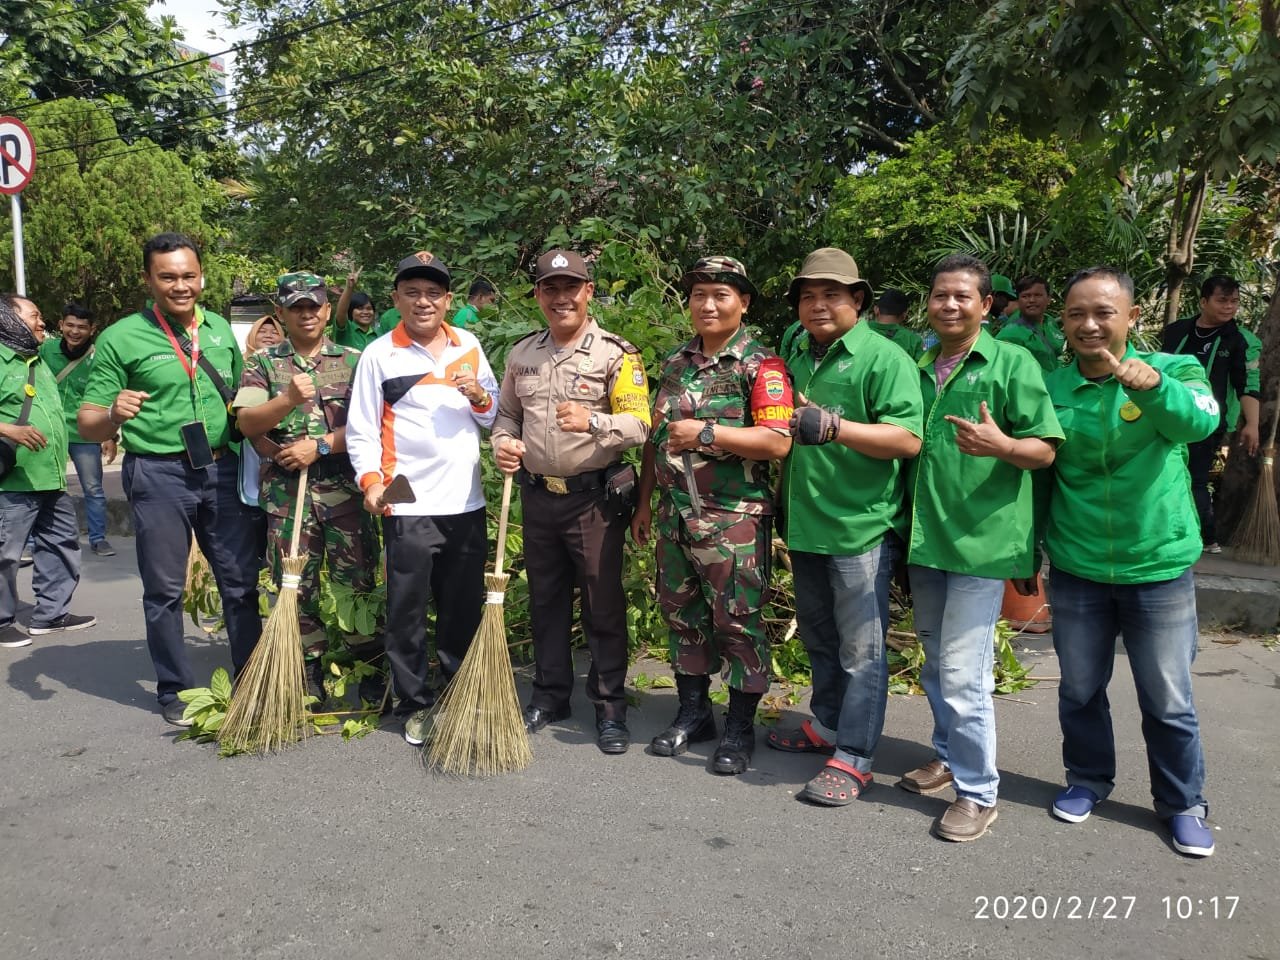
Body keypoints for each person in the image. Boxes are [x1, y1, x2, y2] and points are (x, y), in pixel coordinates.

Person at [1044, 266, 1220, 857]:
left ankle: (1183, 804)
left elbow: (1201, 421)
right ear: (1063, 321)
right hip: (1076, 564)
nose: (1089, 325)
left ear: (1132, 317)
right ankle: (1088, 780)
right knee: (1079, 689)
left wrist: (1152, 389)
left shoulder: (1176, 370)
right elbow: (1042, 476)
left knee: (1168, 699)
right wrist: (1029, 554)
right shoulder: (1052, 387)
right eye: (1076, 314)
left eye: (1103, 312)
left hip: (1158, 566)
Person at [900, 255, 1062, 843]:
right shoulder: (918, 364)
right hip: (926, 538)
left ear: (986, 305)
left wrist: (1003, 445)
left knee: (966, 673)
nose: (949, 305)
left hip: (981, 541)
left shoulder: (1012, 362)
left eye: (963, 296)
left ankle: (979, 791)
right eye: (940, 295)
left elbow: (1045, 450)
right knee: (938, 663)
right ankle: (947, 756)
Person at [79, 232, 262, 726]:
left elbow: (243, 398)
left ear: (201, 276)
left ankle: (253, 679)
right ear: (148, 279)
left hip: (221, 468)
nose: (180, 286)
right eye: (168, 277)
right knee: (164, 589)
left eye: (188, 276)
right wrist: (113, 414)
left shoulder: (221, 329)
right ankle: (174, 690)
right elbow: (88, 421)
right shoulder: (121, 337)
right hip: (158, 473)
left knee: (240, 583)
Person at [769, 247, 923, 806]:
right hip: (807, 523)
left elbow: (908, 439)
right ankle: (828, 727)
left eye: (831, 295)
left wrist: (835, 427)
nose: (817, 305)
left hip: (861, 529)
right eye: (808, 297)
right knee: (820, 637)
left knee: (863, 650)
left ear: (858, 300)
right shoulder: (798, 354)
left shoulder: (884, 359)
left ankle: (855, 757)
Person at [631, 257, 793, 774]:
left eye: (721, 295)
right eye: (699, 294)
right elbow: (657, 443)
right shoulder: (676, 363)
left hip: (733, 522)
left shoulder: (760, 366)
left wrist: (706, 433)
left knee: (738, 624)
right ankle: (694, 712)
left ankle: (740, 726)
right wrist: (643, 504)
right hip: (675, 518)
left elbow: (776, 442)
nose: (708, 304)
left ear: (743, 303)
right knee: (682, 618)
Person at [492, 249, 650, 755]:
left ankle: (609, 707)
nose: (561, 298)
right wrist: (502, 444)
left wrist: (595, 422)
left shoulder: (616, 354)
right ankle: (550, 695)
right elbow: (505, 417)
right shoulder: (523, 355)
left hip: (594, 499)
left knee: (603, 605)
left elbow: (641, 425)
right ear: (538, 295)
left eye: (571, 288)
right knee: (546, 603)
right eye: (550, 289)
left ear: (588, 291)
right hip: (540, 499)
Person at [346, 251, 499, 746]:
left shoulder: (470, 344)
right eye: (412, 292)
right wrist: (371, 482)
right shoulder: (378, 353)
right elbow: (362, 428)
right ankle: (413, 703)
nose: (423, 301)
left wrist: (479, 395)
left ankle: (458, 695)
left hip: (466, 501)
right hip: (406, 500)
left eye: (433, 292)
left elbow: (493, 415)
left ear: (448, 300)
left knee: (461, 609)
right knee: (406, 611)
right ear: (396, 299)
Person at [234, 272, 378, 705]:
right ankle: (307, 669)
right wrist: (287, 401)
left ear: (327, 310)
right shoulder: (262, 364)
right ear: (280, 312)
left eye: (313, 305)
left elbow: (370, 424)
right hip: (285, 495)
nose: (306, 313)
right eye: (295, 307)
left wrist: (318, 446)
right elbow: (246, 424)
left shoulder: (356, 360)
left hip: (344, 494)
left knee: (358, 581)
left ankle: (369, 663)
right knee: (295, 584)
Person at [1, 294, 96, 649]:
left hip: (50, 475)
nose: (43, 322)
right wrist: (8, 429)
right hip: (11, 479)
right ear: (8, 319)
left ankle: (51, 614)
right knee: (5, 554)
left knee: (60, 543)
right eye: (34, 315)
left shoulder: (38, 359)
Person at [1160, 275, 1261, 553]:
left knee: (1195, 478)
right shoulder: (1176, 331)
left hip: (1207, 420)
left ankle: (1207, 538)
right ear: (1204, 301)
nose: (1229, 307)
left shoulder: (1239, 340)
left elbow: (1247, 385)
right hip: (1166, 414)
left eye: (1235, 302)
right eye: (1222, 300)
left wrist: (1251, 424)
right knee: (1163, 471)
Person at [39, 302, 118, 557]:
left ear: (92, 329)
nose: (75, 331)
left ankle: (98, 539)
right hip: (48, 431)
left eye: (82, 327)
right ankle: (34, 541)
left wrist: (110, 435)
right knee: (42, 486)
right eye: (70, 325)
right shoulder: (45, 350)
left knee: (93, 488)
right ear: (61, 325)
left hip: (84, 433)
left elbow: (107, 397)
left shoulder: (98, 357)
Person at [996, 275, 1065, 374]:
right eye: (1025, 296)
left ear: (1048, 299)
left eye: (1038, 295)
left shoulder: (1049, 322)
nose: (1031, 300)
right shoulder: (1010, 333)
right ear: (1018, 300)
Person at [868, 288, 925, 360]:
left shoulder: (859, 331)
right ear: (904, 314)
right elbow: (923, 369)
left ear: (876, 309)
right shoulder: (913, 341)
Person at [333, 268, 380, 351]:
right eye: (360, 308)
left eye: (369, 309)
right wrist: (349, 288)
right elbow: (341, 313)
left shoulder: (379, 336)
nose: (365, 312)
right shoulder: (346, 330)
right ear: (351, 311)